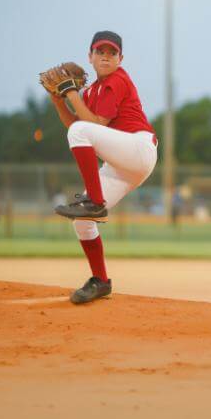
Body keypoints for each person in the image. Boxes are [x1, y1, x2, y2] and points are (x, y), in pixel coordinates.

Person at [49, 30, 158, 304]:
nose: (106, 57)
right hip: (124, 164)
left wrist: (72, 94)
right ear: (90, 56)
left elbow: (92, 127)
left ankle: (94, 201)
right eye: (100, 52)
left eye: (112, 53)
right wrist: (58, 100)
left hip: (139, 148)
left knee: (81, 133)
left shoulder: (117, 80)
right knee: (83, 223)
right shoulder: (93, 90)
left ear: (121, 59)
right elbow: (77, 125)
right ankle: (100, 281)